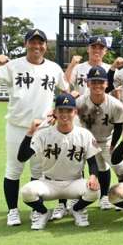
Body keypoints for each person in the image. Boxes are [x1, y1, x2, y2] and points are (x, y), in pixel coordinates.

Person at [0, 28, 68, 226]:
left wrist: (57, 111)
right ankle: (12, 211)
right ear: (26, 44)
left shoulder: (53, 68)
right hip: (17, 126)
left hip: (43, 128)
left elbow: (67, 90)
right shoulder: (12, 66)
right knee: (14, 169)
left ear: (45, 45)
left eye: (40, 42)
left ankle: (37, 211)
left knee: (38, 171)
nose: (36, 46)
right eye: (32, 42)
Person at [16, 94, 101, 229]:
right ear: (55, 112)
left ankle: (76, 209)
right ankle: (44, 212)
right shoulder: (43, 134)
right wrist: (30, 133)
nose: (64, 114)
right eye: (61, 110)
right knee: (27, 191)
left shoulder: (84, 134)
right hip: (49, 183)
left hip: (74, 182)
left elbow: (92, 163)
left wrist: (93, 176)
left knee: (94, 191)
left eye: (68, 110)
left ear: (75, 112)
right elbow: (22, 157)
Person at [75, 65, 123, 211]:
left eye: (100, 82)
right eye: (94, 81)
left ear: (106, 84)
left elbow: (118, 126)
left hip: (107, 140)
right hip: (87, 141)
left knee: (120, 168)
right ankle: (103, 197)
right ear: (87, 83)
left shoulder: (115, 105)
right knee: (98, 168)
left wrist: (113, 146)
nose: (97, 85)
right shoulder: (79, 103)